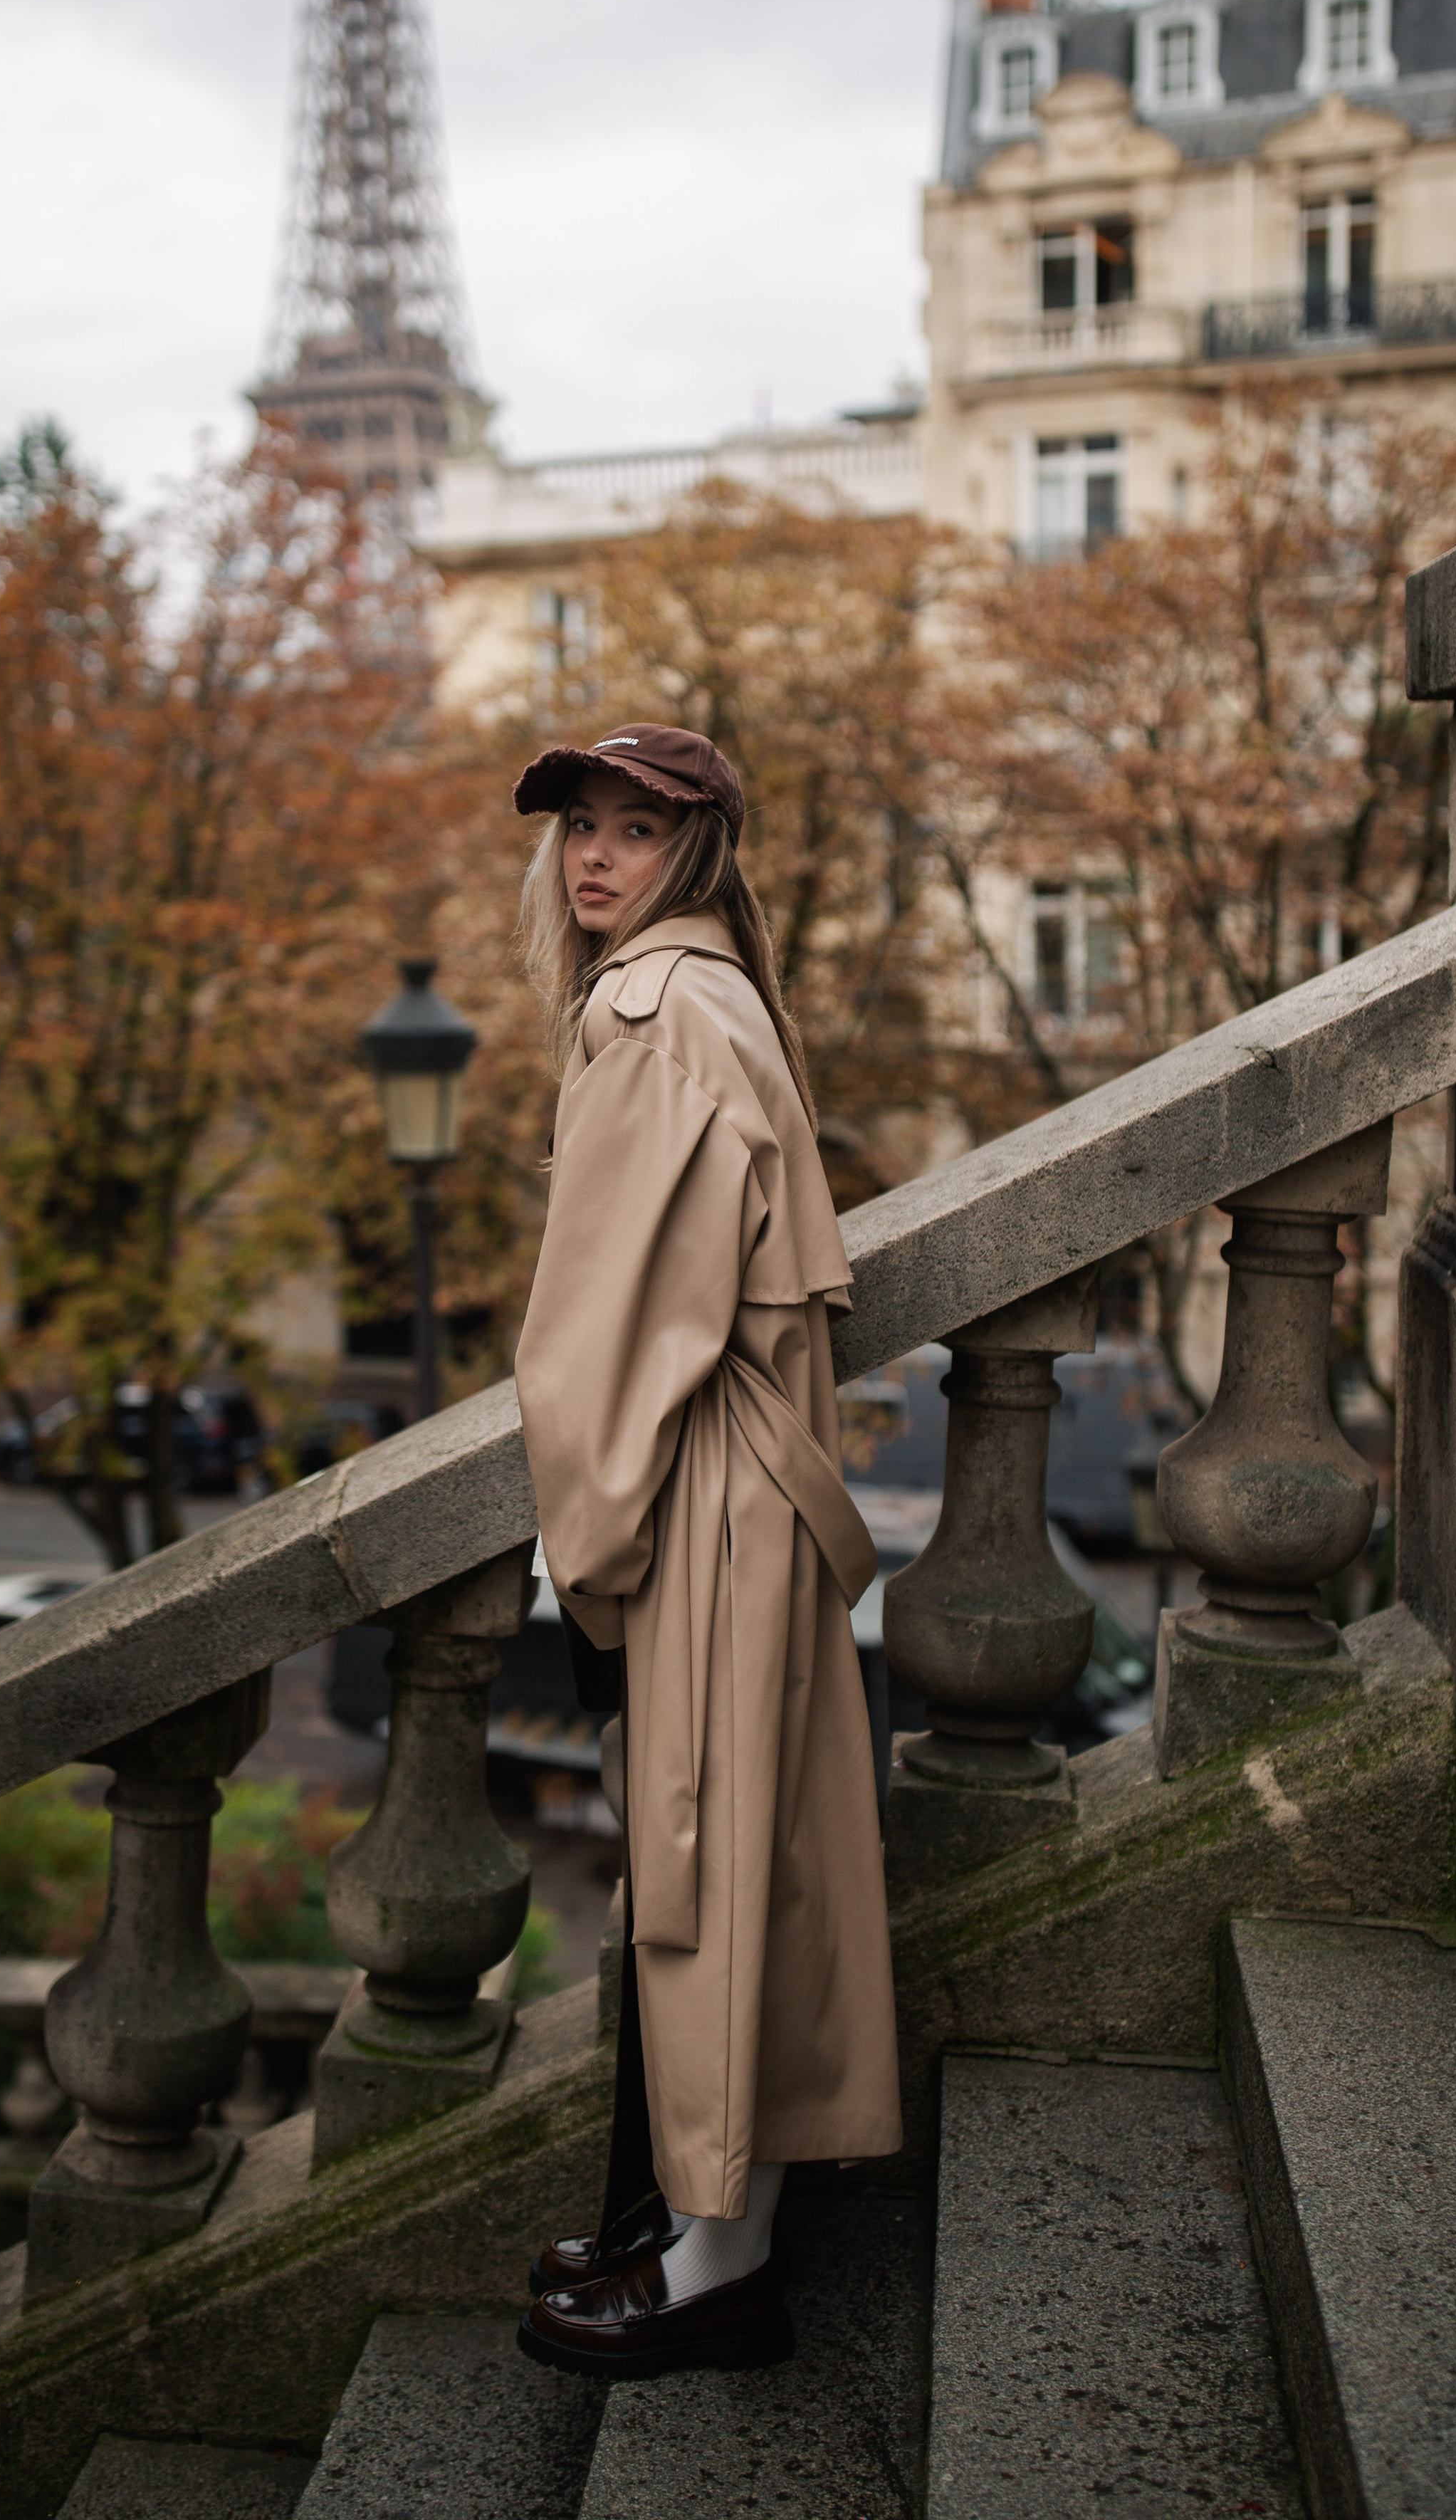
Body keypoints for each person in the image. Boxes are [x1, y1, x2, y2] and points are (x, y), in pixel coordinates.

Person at [510, 721, 901, 2383]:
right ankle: (700, 2227)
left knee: (702, 1868)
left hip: (703, 1500)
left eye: (633, 828)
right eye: (577, 827)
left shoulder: (650, 1010)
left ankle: (717, 2271)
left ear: (701, 848)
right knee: (752, 1856)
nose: (594, 856)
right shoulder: (728, 995)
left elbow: (600, 1334)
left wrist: (585, 1557)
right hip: (757, 1485)